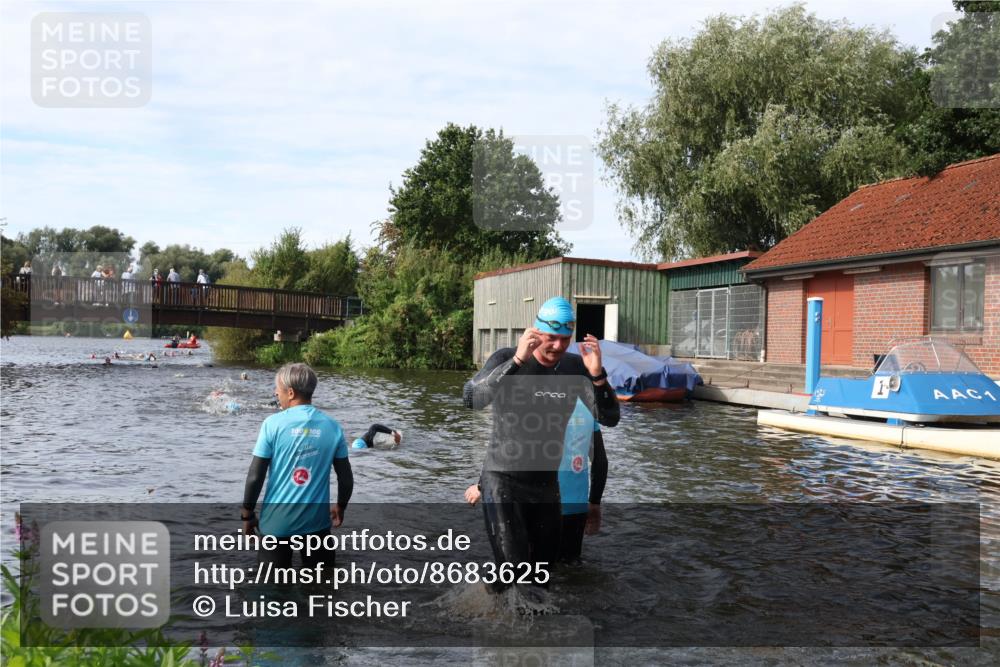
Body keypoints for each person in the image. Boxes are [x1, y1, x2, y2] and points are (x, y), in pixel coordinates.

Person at [463, 297, 619, 592]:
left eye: (565, 339)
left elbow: (610, 418)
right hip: (503, 480)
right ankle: (498, 621)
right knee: (515, 570)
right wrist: (517, 361)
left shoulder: (575, 367)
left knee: (540, 581)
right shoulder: (506, 358)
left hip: (547, 486)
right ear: (535, 332)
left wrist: (598, 376)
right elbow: (471, 399)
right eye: (551, 338)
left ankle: (492, 602)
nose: (558, 347)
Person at [464, 401, 608, 564]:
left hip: (539, 502)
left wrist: (481, 486)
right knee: (570, 567)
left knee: (528, 568)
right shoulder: (588, 407)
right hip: (576, 506)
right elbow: (600, 460)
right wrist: (594, 502)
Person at [241, 363, 354, 569]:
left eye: (278, 389)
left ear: (290, 392)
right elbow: (346, 479)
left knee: (271, 590)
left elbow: (255, 477)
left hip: (277, 524)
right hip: (317, 524)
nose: (276, 393)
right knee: (322, 587)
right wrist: (341, 506)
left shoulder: (272, 424)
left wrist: (247, 514)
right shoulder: (333, 426)